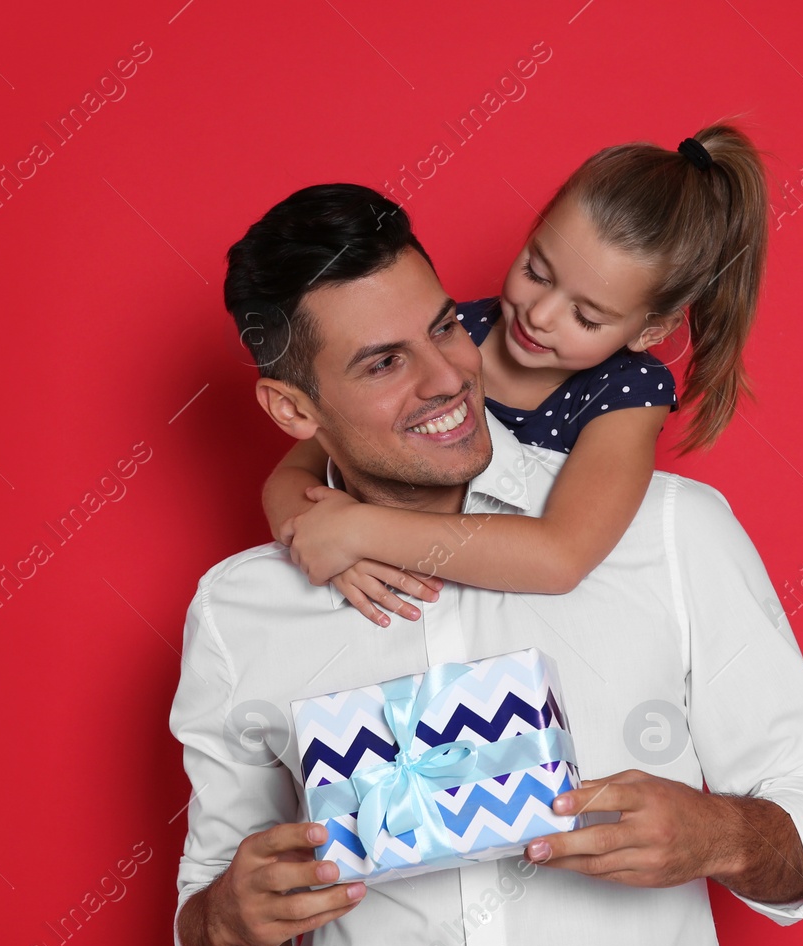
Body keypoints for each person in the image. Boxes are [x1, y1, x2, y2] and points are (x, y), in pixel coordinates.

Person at [171, 181, 803, 946]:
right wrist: (235, 918)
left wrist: (720, 833)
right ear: (295, 413)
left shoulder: (667, 531)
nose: (449, 376)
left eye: (445, 327)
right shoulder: (241, 612)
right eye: (384, 363)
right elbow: (217, 938)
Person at [261, 124, 769, 626]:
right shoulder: (450, 337)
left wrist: (357, 532)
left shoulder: (628, 392)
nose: (539, 315)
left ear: (650, 330)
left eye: (586, 316)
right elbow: (292, 473)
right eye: (536, 272)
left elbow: (560, 556)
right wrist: (314, 537)